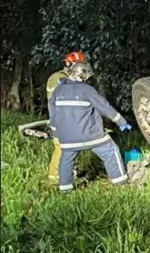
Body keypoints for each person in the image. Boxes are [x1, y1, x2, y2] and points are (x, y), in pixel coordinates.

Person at [48, 58, 132, 192]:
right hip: (90, 135)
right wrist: (121, 121)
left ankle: (65, 189)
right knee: (111, 151)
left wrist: (56, 133)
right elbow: (104, 107)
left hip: (67, 138)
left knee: (66, 159)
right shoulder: (86, 89)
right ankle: (120, 182)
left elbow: (52, 113)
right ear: (82, 75)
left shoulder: (58, 90)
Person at [45, 51, 87, 183]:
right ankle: (54, 178)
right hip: (60, 118)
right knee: (61, 146)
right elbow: (58, 98)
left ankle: (68, 172)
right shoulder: (56, 78)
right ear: (68, 63)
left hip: (72, 118)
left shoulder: (76, 78)